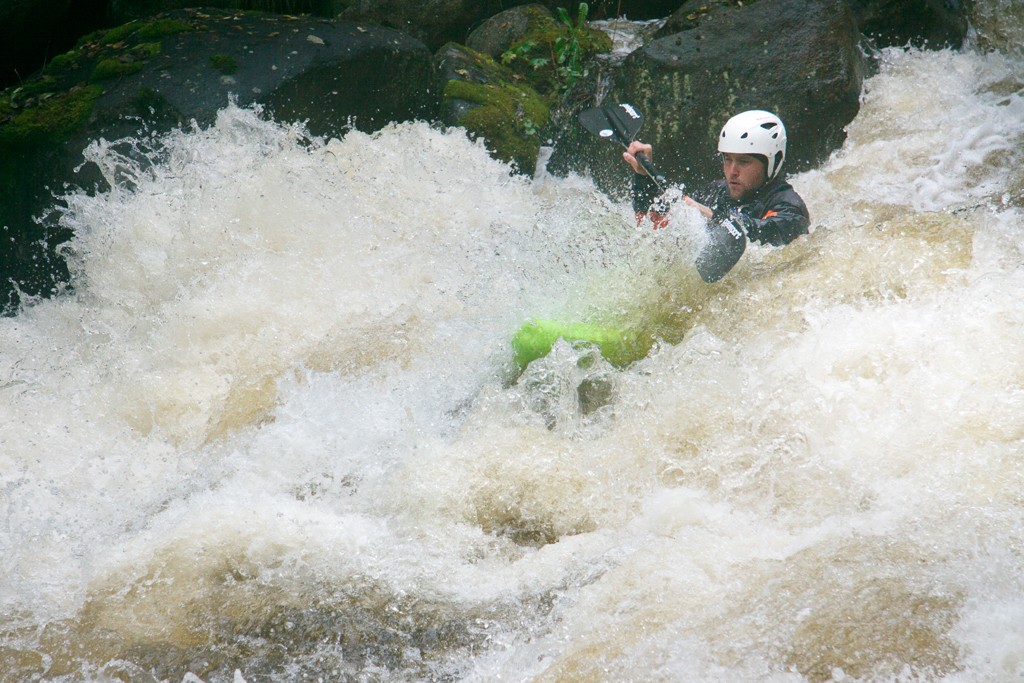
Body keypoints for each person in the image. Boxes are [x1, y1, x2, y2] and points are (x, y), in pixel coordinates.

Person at [623, 110, 810, 283]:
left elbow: (763, 231)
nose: (732, 171)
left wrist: (711, 216)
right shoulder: (715, 191)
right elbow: (650, 223)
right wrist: (643, 178)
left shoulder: (790, 207)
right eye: (728, 159)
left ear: (772, 162)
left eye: (744, 162)